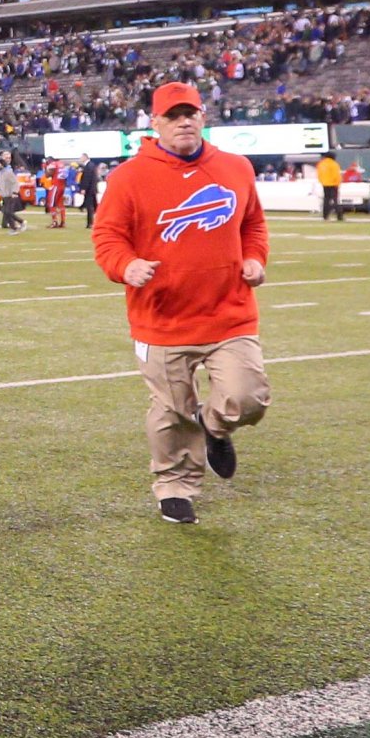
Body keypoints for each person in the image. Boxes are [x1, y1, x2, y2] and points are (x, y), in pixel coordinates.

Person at [90, 83, 271, 524]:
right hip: (161, 316)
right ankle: (174, 486)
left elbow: (253, 224)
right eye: (173, 115)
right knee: (171, 411)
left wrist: (254, 258)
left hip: (229, 312)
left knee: (249, 398)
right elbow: (107, 236)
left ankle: (215, 425)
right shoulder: (129, 177)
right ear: (155, 124)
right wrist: (125, 265)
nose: (183, 121)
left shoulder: (235, 167)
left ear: (204, 116)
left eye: (190, 112)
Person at [0, 153, 24, 231]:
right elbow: (1, 183)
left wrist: (14, 192)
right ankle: (12, 226)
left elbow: (15, 182)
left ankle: (20, 222)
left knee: (8, 211)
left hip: (10, 195)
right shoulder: (1, 172)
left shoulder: (8, 171)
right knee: (6, 211)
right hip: (4, 195)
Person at [316, 150, 343, 220]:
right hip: (333, 184)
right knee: (335, 200)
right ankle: (339, 216)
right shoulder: (334, 164)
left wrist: (322, 181)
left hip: (325, 184)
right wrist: (338, 183)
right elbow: (336, 175)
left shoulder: (321, 164)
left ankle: (325, 216)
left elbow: (319, 174)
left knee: (326, 200)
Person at [79, 157, 103, 228]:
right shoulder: (92, 165)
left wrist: (84, 188)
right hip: (92, 189)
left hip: (89, 189)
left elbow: (87, 178)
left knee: (90, 207)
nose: (81, 159)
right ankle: (95, 222)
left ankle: (90, 223)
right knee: (94, 206)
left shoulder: (88, 166)